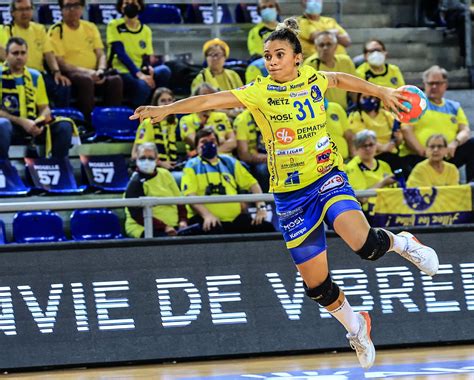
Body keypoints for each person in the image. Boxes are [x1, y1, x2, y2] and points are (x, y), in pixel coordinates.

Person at [131, 18, 439, 369]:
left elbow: (340, 79)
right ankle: (357, 326)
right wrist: (167, 108)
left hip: (326, 175)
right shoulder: (259, 91)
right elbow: (210, 101)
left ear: (297, 58)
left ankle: (403, 243)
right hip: (291, 196)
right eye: (267, 55)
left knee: (365, 246)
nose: (272, 60)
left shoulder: (313, 78)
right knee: (318, 286)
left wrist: (381, 91)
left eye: (279, 54)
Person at [180, 127, 274, 234]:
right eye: (204, 142)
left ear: (218, 144)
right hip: (206, 219)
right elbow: (190, 195)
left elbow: (253, 184)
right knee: (213, 228)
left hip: (235, 219)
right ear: (196, 148)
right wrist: (207, 215)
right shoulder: (192, 165)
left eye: (212, 141)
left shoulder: (230, 162)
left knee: (265, 227)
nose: (209, 144)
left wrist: (261, 208)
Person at [48, 0, 123, 120]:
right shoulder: (56, 30)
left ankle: (112, 121)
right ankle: (88, 123)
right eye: (68, 6)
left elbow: (101, 54)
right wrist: (88, 72)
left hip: (95, 72)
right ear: (61, 10)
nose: (72, 9)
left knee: (115, 80)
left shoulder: (90, 27)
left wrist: (101, 70)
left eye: (76, 5)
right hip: (72, 73)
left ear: (82, 8)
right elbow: (61, 63)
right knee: (85, 80)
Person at [0, 37, 73, 159]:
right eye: (15, 53)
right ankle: (3, 167)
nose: (19, 57)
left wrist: (39, 121)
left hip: (32, 124)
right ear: (7, 55)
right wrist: (22, 121)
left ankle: (58, 167)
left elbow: (44, 107)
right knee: (2, 125)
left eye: (23, 53)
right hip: (11, 126)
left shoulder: (35, 76)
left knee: (64, 126)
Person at [399, 65, 474, 181]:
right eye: (430, 83)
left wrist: (454, 143)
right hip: (420, 156)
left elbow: (465, 130)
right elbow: (406, 130)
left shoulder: (454, 107)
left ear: (445, 84)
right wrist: (424, 152)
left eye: (438, 83)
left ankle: (471, 187)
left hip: (447, 154)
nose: (434, 86)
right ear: (424, 84)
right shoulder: (415, 104)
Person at [2, 0, 71, 108]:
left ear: (32, 10)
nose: (24, 13)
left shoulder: (39, 29)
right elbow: (3, 54)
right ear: (12, 13)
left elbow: (48, 53)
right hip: (16, 73)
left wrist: (56, 71)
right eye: (20, 9)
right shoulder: (5, 30)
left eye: (27, 9)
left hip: (38, 75)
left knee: (63, 85)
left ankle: (59, 120)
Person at [107, 0, 171, 109]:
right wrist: (140, 75)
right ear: (121, 7)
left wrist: (148, 69)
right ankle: (137, 113)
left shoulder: (146, 30)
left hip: (139, 70)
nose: (130, 6)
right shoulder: (114, 25)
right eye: (126, 3)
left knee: (164, 71)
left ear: (140, 6)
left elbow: (146, 56)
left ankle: (156, 107)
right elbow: (120, 54)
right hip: (121, 71)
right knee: (143, 85)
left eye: (134, 3)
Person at [125, 142, 187, 238]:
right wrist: (164, 227)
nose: (146, 161)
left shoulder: (165, 174)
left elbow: (180, 201)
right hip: (144, 226)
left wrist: (183, 221)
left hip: (174, 226)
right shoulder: (135, 182)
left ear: (157, 160)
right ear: (136, 160)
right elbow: (137, 215)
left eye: (150, 158)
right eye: (142, 158)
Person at [348, 93, 405, 172]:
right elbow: (363, 138)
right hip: (373, 155)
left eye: (371, 97)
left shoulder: (387, 115)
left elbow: (399, 140)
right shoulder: (356, 116)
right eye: (365, 97)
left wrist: (398, 138)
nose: (368, 99)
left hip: (392, 154)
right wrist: (383, 147)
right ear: (358, 99)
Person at [304, 31, 358, 110]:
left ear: (336, 47)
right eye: (321, 45)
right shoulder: (310, 64)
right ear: (316, 47)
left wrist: (356, 109)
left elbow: (354, 88)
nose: (325, 48)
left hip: (345, 110)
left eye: (329, 44)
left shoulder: (346, 61)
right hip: (322, 112)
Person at [179, 83, 236, 154]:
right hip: (200, 161)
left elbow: (233, 142)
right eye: (204, 95)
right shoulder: (186, 120)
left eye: (211, 95)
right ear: (196, 98)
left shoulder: (222, 116)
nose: (208, 98)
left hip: (226, 159)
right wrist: (221, 141)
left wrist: (214, 152)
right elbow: (196, 143)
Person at [132, 87, 178, 170]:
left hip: (170, 165)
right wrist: (161, 163)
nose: (166, 103)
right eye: (163, 100)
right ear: (156, 104)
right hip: (152, 166)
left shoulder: (173, 122)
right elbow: (136, 154)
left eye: (169, 100)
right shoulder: (148, 123)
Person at [234, 108, 269, 192]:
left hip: (272, 154)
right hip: (253, 159)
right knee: (263, 169)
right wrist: (269, 158)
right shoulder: (242, 120)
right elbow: (244, 155)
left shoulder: (272, 115)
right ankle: (267, 201)